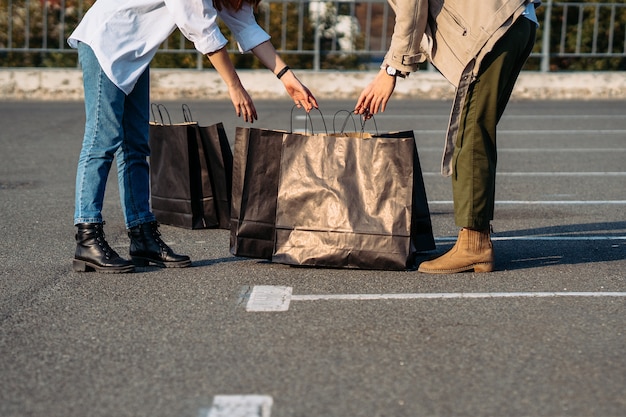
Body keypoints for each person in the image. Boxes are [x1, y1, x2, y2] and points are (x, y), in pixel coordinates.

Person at [68, 0, 319, 273]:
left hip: (134, 53)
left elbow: (247, 26)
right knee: (102, 140)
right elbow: (201, 30)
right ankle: (87, 236)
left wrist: (287, 77)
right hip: (105, 41)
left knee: (136, 145)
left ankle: (142, 236)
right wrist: (235, 86)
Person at [354, 0, 540, 274]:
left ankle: (475, 244)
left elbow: (412, 6)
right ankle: (473, 238)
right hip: (512, 22)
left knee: (472, 135)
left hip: (494, 29)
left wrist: (390, 71)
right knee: (474, 131)